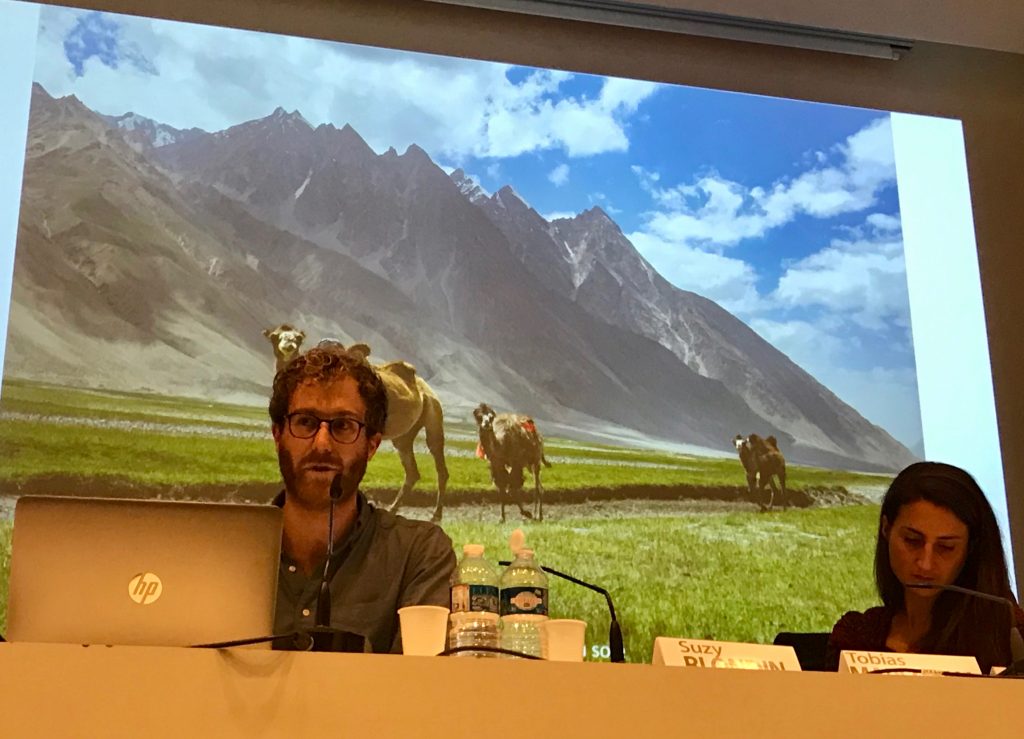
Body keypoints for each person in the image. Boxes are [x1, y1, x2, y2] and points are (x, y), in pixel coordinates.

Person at [268, 344, 455, 653]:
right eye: (305, 422)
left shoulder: (418, 557)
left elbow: (418, 689)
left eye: (343, 425)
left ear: (372, 444)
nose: (323, 444)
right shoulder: (223, 554)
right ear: (277, 435)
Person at [828, 461, 1024, 672]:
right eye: (912, 541)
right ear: (886, 529)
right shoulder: (856, 636)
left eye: (946, 547)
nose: (925, 563)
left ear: (971, 548)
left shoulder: (1008, 631)